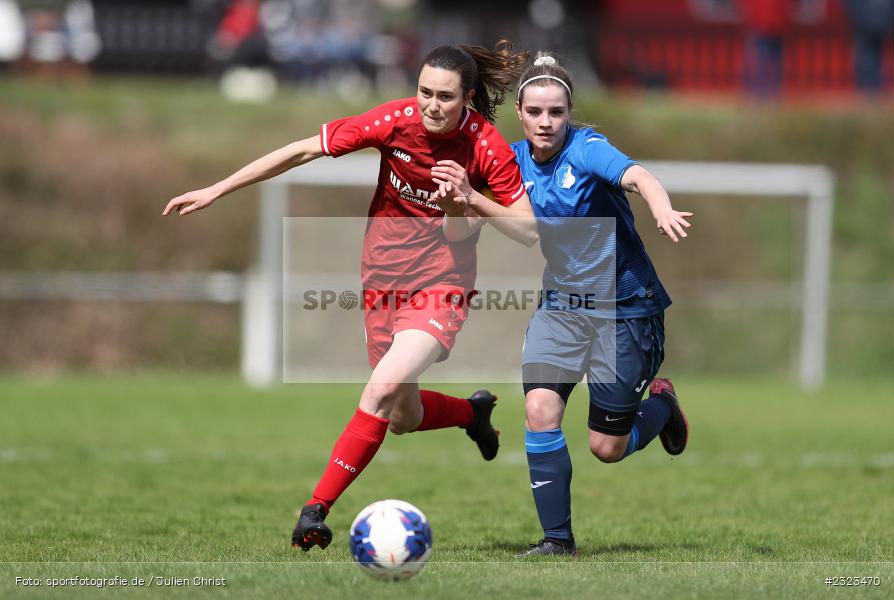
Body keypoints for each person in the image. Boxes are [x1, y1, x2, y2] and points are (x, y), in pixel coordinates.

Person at [163, 41, 534, 552]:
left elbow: (527, 229)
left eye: (445, 97)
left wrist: (466, 200)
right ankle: (473, 415)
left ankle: (314, 512)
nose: (430, 104)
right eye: (424, 91)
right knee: (401, 417)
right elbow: (302, 150)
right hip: (381, 283)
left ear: (468, 98)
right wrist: (216, 189)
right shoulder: (395, 121)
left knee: (379, 390)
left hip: (442, 285)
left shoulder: (485, 147)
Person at [439, 54, 692, 556]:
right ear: (519, 111)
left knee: (607, 447)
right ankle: (557, 541)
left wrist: (659, 205)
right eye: (535, 111)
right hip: (563, 305)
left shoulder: (587, 149)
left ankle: (662, 407)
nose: (545, 121)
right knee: (539, 407)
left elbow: (639, 177)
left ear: (570, 111)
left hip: (626, 308)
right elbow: (464, 232)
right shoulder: (509, 163)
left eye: (555, 111)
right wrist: (454, 202)